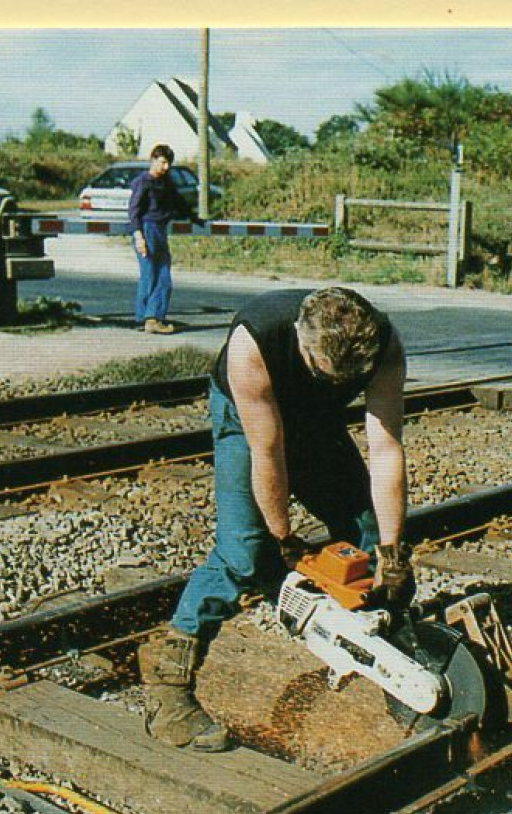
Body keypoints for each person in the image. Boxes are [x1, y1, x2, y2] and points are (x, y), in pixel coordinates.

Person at [144, 287, 414, 751]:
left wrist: (391, 552)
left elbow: (387, 448)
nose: (336, 385)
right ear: (300, 340)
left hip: (316, 421)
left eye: (343, 381)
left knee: (366, 532)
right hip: (248, 418)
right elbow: (267, 453)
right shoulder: (256, 340)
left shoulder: (383, 347)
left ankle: (385, 658)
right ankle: (168, 690)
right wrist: (282, 537)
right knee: (244, 553)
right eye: (324, 375)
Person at [128, 144, 194, 334]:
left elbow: (179, 202)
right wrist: (139, 237)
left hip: (159, 229)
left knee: (158, 275)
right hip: (148, 230)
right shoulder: (143, 182)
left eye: (168, 164)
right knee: (155, 275)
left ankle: (147, 317)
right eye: (163, 162)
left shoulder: (165, 183)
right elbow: (134, 212)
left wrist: (194, 218)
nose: (166, 167)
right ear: (153, 160)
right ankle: (152, 318)